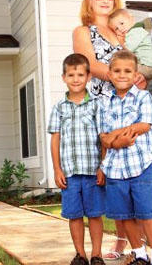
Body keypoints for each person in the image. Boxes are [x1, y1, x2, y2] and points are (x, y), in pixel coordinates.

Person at [72, 0, 147, 259]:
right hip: (103, 109)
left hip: (131, 107)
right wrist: (123, 78)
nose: (104, 0)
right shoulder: (83, 31)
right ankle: (118, 242)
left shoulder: (124, 31)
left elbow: (139, 61)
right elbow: (89, 64)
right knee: (110, 176)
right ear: (89, 0)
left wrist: (138, 76)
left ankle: (137, 246)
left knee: (131, 178)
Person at [97, 50, 152, 265]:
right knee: (123, 213)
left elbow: (143, 125)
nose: (122, 75)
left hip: (140, 163)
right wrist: (118, 140)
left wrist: (115, 134)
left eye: (127, 71)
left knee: (146, 211)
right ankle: (139, 253)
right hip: (114, 167)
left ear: (135, 73)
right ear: (109, 73)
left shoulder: (143, 96)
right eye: (117, 71)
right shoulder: (103, 102)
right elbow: (104, 138)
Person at [48, 53, 106, 265]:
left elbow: (103, 139)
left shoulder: (96, 105)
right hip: (70, 173)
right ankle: (80, 254)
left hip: (93, 171)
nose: (76, 79)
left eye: (80, 74)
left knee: (95, 214)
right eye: (71, 75)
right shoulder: (59, 108)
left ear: (88, 76)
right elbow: (55, 139)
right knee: (74, 215)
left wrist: (103, 167)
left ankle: (96, 254)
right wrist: (56, 169)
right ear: (64, 77)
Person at [107, 8, 152, 84]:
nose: (120, 28)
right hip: (148, 66)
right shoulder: (136, 31)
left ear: (132, 19)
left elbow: (127, 50)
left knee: (121, 68)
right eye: (116, 28)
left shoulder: (135, 32)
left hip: (147, 67)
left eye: (122, 23)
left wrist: (120, 40)